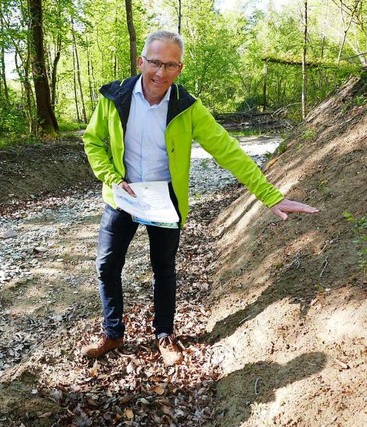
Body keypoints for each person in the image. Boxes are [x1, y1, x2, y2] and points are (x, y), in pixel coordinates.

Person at [81, 31, 319, 366]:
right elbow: (93, 142)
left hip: (165, 201)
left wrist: (270, 196)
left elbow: (228, 151)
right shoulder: (113, 98)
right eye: (154, 62)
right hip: (123, 196)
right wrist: (113, 177)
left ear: (179, 68)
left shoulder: (187, 107)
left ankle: (164, 334)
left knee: (163, 269)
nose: (160, 72)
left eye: (170, 65)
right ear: (141, 62)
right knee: (107, 265)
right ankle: (113, 332)